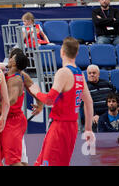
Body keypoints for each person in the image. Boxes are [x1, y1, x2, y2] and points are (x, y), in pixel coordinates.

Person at [29, 37, 95, 166]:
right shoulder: (80, 74)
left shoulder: (63, 72)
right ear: (76, 53)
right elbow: (89, 102)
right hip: (72, 127)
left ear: (62, 52)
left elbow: (49, 100)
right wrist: (88, 129)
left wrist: (36, 91)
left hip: (60, 126)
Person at [0, 49, 43, 166]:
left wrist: (0, 111)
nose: (8, 59)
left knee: (14, 161)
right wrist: (40, 103)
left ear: (14, 62)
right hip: (7, 119)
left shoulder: (16, 79)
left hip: (12, 120)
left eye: (11, 58)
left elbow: (12, 99)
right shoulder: (18, 75)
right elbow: (35, 89)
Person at [81, 64, 119, 131]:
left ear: (98, 74)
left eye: (94, 73)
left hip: (110, 112)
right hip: (95, 115)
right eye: (89, 73)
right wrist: (93, 115)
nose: (91, 75)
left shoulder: (107, 83)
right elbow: (84, 105)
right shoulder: (84, 88)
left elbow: (116, 95)